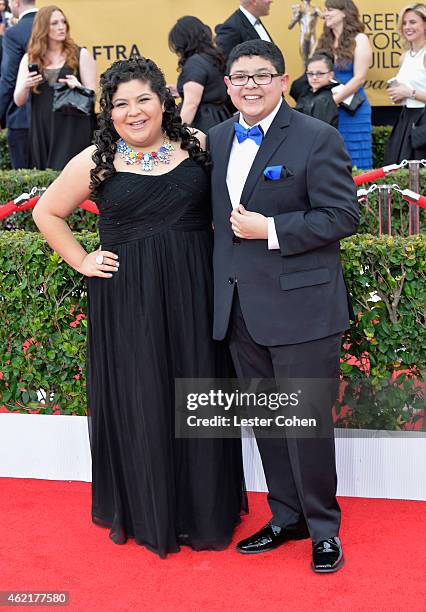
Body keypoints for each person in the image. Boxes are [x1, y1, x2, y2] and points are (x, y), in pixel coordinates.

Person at [32, 57, 247, 558]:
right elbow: (47, 211)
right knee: (144, 396)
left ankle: (203, 511)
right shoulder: (94, 160)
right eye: (120, 104)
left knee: (199, 394)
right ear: (108, 111)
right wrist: (82, 259)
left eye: (143, 100)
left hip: (196, 294)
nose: (133, 112)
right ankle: (153, 511)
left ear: (164, 100)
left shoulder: (198, 144)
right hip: (128, 299)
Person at [208, 40, 358, 573]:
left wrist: (269, 228)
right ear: (226, 85)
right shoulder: (219, 140)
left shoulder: (318, 137)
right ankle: (286, 515)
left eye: (261, 76)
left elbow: (342, 216)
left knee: (308, 424)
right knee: (270, 423)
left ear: (281, 79)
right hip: (240, 308)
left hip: (303, 309)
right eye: (239, 77)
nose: (250, 85)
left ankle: (323, 528)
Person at [13, 5, 96, 170]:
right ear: (43, 28)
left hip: (73, 125)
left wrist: (78, 86)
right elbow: (18, 101)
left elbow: (93, 96)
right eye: (55, 23)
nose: (61, 27)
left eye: (63, 22)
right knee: (47, 180)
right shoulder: (30, 59)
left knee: (74, 174)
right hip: (43, 127)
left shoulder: (81, 54)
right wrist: (25, 85)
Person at [316, 0, 372, 169]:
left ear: (344, 12)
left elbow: (359, 78)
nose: (325, 13)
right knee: (330, 161)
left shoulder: (360, 39)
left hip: (352, 110)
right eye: (325, 10)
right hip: (328, 109)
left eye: (330, 9)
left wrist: (334, 101)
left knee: (357, 163)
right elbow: (313, 69)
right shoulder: (323, 41)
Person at [168, 15, 231, 132]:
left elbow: (191, 104)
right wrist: (179, 90)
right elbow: (210, 88)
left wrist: (178, 133)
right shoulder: (213, 57)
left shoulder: (194, 63)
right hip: (222, 118)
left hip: (204, 123)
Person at [384, 3, 426, 164]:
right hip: (406, 119)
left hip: (423, 120)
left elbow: (411, 92)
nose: (407, 27)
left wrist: (410, 93)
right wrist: (398, 95)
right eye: (404, 23)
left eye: (413, 22)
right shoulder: (405, 56)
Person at [0, 0, 37, 169]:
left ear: (15, 3)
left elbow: (8, 78)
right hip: (56, 117)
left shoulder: (14, 33)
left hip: (22, 117)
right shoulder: (55, 25)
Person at [295, 51, 338, 126]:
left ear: (331, 75)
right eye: (310, 73)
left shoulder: (323, 100)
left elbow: (319, 132)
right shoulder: (307, 93)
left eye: (320, 73)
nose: (314, 77)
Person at [288, 0, 322, 65]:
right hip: (303, 36)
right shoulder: (298, 9)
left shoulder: (315, 8)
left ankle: (312, 73)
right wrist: (296, 16)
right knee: (304, 60)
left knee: (313, 58)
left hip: (312, 36)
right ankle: (306, 74)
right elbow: (290, 26)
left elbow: (324, 17)